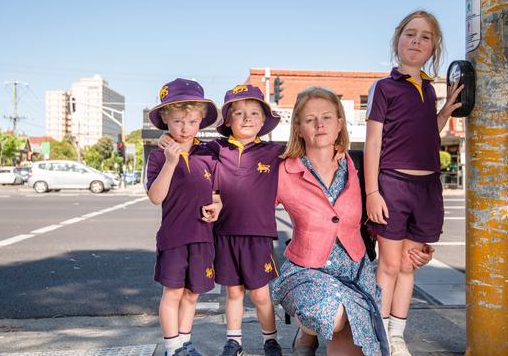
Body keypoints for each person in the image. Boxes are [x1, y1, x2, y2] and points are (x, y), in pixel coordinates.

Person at [364, 10, 463, 356]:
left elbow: (425, 135)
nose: (417, 41)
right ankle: (376, 336)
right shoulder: (384, 87)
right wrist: (372, 192)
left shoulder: (429, 91)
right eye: (410, 34)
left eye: (425, 36)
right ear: (397, 40)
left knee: (408, 267)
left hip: (428, 190)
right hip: (393, 186)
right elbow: (374, 142)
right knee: (389, 266)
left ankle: (396, 335)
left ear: (433, 47)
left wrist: (446, 111)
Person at [161, 84, 285, 356]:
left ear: (264, 120)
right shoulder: (214, 149)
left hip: (258, 235)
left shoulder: (275, 152)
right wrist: (167, 141)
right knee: (233, 292)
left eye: (254, 113)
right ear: (227, 120)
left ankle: (270, 339)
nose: (247, 118)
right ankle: (234, 341)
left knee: (261, 294)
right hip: (224, 232)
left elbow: (302, 157)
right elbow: (186, 145)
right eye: (239, 113)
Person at [273, 86, 387, 356]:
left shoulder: (360, 166)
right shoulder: (284, 171)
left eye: (327, 117)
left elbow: (386, 209)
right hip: (307, 271)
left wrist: (414, 244)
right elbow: (252, 211)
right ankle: (308, 328)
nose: (319, 124)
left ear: (339, 124)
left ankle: (311, 334)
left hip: (355, 275)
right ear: (299, 129)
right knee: (331, 313)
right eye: (310, 119)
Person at [145, 78, 223, 356]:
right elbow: (156, 196)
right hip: (174, 237)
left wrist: (218, 205)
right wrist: (170, 162)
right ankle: (172, 347)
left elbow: (216, 193)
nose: (185, 128)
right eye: (178, 121)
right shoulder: (158, 156)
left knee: (192, 294)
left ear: (201, 120)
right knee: (173, 293)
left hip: (202, 236)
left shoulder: (209, 154)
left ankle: (185, 344)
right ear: (166, 120)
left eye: (192, 121)